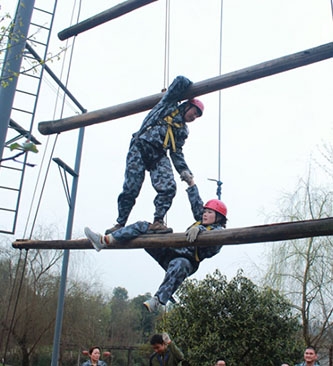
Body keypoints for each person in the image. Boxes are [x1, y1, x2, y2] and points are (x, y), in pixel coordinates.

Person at [84, 172, 227, 312]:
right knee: (144, 226)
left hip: (186, 260)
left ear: (218, 217)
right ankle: (105, 240)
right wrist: (191, 183)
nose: (205, 214)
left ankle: (158, 300)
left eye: (209, 213)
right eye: (205, 212)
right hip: (169, 251)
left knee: (179, 264)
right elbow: (197, 204)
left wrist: (201, 230)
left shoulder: (220, 232)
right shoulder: (201, 220)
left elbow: (214, 245)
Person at [105, 75, 204, 235]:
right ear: (187, 106)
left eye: (197, 117)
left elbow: (176, 152)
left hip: (158, 155)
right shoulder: (168, 105)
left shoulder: (183, 131)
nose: (194, 117)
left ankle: (158, 221)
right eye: (194, 112)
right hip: (141, 146)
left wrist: (185, 172)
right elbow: (180, 80)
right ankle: (120, 223)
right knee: (131, 188)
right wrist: (190, 92)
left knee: (169, 187)